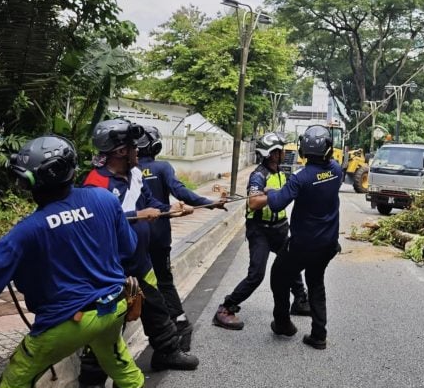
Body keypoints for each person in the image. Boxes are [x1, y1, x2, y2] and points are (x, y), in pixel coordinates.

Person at [0, 136, 157, 388]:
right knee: (116, 356)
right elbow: (128, 250)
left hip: (66, 323)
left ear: (30, 184)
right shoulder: (102, 200)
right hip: (112, 307)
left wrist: (10, 250)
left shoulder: (28, 230)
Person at [79, 119, 198, 388]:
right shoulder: (95, 184)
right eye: (133, 147)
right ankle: (92, 379)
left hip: (140, 260)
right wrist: (136, 214)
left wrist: (171, 210)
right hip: (110, 269)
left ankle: (167, 351)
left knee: (156, 307)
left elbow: (149, 204)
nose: (138, 151)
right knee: (109, 322)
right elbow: (98, 224)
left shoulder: (134, 175)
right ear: (120, 150)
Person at [248, 125, 343, 349]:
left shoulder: (300, 177)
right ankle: (319, 336)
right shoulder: (337, 170)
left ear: (302, 151)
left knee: (278, 276)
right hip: (328, 243)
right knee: (316, 282)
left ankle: (282, 323)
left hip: (303, 245)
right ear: (328, 149)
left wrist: (271, 193)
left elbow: (280, 202)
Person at [137, 125, 225, 347]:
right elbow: (182, 192)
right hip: (158, 238)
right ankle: (179, 324)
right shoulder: (162, 167)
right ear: (155, 145)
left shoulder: (128, 171)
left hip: (133, 241)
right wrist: (209, 203)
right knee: (164, 282)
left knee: (137, 287)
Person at [213, 131, 310, 330]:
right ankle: (226, 308)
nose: (283, 153)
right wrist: (273, 195)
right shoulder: (258, 175)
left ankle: (300, 300)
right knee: (256, 274)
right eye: (280, 150)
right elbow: (254, 201)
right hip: (260, 231)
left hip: (280, 228)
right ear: (272, 154)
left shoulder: (283, 173)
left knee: (291, 264)